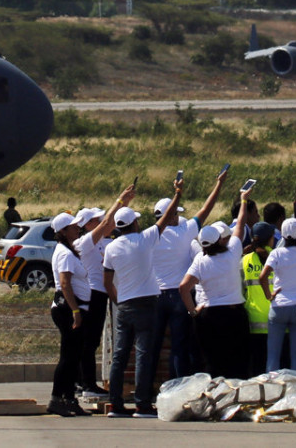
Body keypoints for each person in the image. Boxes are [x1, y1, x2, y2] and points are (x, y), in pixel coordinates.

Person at [103, 176, 184, 419]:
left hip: (125, 303)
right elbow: (166, 217)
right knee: (143, 354)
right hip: (147, 303)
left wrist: (119, 300)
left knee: (119, 355)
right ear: (134, 224)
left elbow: (107, 281)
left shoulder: (111, 248)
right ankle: (142, 404)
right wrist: (178, 194)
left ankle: (116, 404)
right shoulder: (145, 239)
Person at [150, 171, 227, 380]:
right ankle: (178, 387)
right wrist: (219, 184)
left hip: (155, 295)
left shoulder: (149, 235)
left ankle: (145, 395)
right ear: (172, 214)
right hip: (179, 295)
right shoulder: (183, 231)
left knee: (152, 347)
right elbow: (206, 209)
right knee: (179, 346)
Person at [179, 185, 254, 379]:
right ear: (220, 241)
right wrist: (243, 200)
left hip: (209, 315)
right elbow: (239, 225)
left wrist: (193, 311)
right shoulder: (233, 252)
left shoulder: (200, 261)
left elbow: (184, 287)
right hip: (234, 313)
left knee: (214, 363)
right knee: (238, 362)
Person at [73, 191, 134, 398]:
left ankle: (83, 381)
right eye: (95, 220)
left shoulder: (100, 242)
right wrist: (120, 200)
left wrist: (123, 203)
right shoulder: (84, 243)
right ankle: (87, 384)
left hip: (100, 293)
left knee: (91, 341)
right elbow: (108, 223)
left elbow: (109, 226)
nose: (100, 221)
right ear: (87, 224)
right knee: (89, 342)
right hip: (92, 294)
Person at [47, 210, 92, 417]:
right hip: (67, 309)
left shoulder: (68, 250)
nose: (77, 228)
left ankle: (69, 398)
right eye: (73, 227)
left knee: (74, 356)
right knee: (68, 356)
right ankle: (57, 398)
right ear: (63, 231)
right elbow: (65, 284)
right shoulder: (64, 254)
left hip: (74, 308)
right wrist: (75, 311)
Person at [259, 212, 296, 372]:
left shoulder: (276, 253)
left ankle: (272, 389)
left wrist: (269, 295)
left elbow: (263, 276)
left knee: (273, 355)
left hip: (279, 306)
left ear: (281, 234)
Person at [242, 221, 277, 377]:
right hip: (276, 320)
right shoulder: (277, 256)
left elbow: (240, 290)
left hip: (253, 321)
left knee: (257, 368)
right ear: (270, 239)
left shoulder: (245, 260)